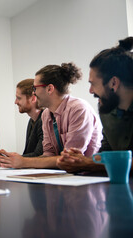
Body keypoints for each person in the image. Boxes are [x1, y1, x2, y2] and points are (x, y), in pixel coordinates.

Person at [0, 62, 102, 168]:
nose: (33, 92)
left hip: (87, 176)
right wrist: (12, 159)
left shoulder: (79, 109)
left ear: (49, 89)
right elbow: (48, 155)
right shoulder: (46, 114)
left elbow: (71, 158)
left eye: (35, 88)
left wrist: (23, 161)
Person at [57, 37, 133, 172]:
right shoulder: (108, 112)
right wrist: (81, 160)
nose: (90, 91)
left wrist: (90, 164)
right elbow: (106, 153)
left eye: (93, 84)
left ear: (113, 83)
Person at [0, 78, 43, 166]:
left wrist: (4, 160)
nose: (15, 102)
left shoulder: (45, 120)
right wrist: (5, 157)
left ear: (33, 98)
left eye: (19, 98)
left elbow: (39, 155)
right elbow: (30, 153)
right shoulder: (32, 121)